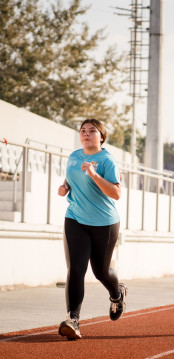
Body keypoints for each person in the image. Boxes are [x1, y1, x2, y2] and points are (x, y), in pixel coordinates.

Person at [57, 118, 127, 340]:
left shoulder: (107, 160)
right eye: (83, 131)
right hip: (75, 218)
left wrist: (95, 175)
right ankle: (73, 319)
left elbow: (116, 193)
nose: (86, 134)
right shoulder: (74, 157)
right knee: (76, 269)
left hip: (104, 222)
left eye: (92, 131)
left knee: (101, 271)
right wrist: (65, 186)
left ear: (101, 136)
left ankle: (117, 294)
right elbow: (71, 178)